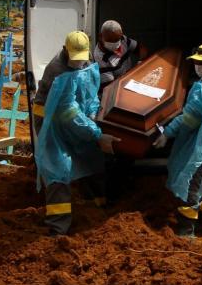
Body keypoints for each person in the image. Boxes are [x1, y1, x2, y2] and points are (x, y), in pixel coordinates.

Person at [35, 31, 119, 235]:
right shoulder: (57, 71)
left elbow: (90, 91)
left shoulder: (86, 60)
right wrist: (97, 135)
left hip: (77, 118)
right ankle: (58, 227)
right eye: (75, 59)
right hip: (52, 121)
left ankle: (96, 208)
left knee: (90, 156)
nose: (79, 63)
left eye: (82, 58)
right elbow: (67, 111)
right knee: (58, 167)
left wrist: (92, 112)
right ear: (65, 50)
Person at [153, 44, 202, 237]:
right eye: (197, 62)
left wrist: (167, 132)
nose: (199, 66)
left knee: (192, 185)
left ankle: (185, 232)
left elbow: (190, 117)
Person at [92, 20, 145, 89]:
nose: (114, 43)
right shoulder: (99, 57)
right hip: (118, 87)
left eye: (117, 40)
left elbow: (141, 49)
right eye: (110, 40)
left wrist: (141, 62)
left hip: (130, 80)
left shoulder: (123, 39)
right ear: (100, 36)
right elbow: (109, 86)